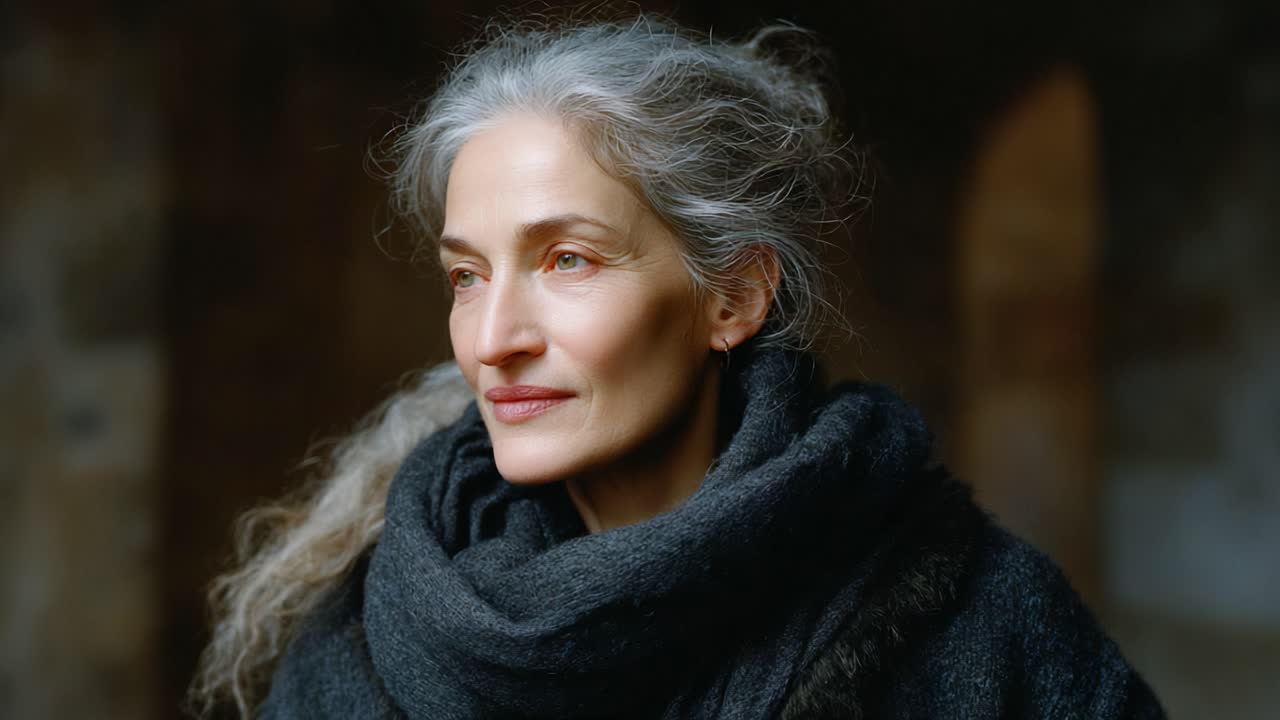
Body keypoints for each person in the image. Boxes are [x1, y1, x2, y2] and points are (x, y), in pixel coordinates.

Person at [190, 14, 1165, 720]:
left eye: (566, 260)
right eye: (465, 276)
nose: (491, 339)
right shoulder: (368, 635)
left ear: (731, 299)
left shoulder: (973, 622)